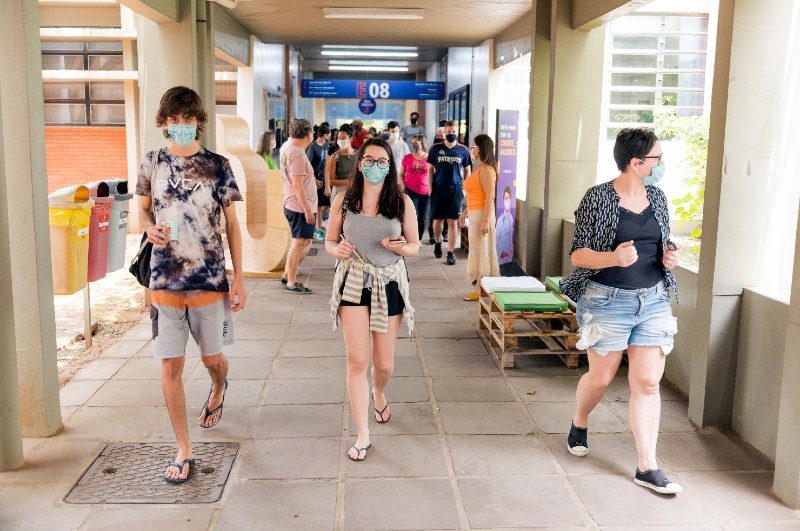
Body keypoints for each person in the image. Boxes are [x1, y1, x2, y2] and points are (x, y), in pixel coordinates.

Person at [559, 128, 681, 495]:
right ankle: (580, 421)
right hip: (607, 301)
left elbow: (662, 242)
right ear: (635, 162)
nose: (661, 165)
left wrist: (669, 256)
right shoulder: (598, 198)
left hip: (654, 299)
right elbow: (577, 255)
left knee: (646, 382)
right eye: (656, 159)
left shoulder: (657, 197)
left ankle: (647, 465)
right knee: (600, 378)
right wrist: (613, 257)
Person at [135, 86, 246, 484]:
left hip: (209, 280)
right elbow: (143, 211)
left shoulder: (218, 165)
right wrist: (149, 231)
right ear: (164, 123)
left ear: (198, 120)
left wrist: (239, 280)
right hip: (164, 279)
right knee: (170, 367)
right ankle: (184, 448)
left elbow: (232, 225)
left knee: (211, 359)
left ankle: (219, 387)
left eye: (187, 119)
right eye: (173, 120)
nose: (180, 126)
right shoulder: (152, 162)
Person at [325, 138, 420, 462]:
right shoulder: (344, 200)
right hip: (353, 282)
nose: (375, 166)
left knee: (384, 363)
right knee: (357, 361)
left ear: (390, 165)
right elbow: (329, 241)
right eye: (370, 160)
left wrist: (398, 247)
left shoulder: (402, 202)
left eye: (382, 161)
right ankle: (362, 433)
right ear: (360, 163)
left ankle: (379, 392)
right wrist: (336, 249)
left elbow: (414, 246)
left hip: (389, 283)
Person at [459, 134, 500, 300]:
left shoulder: (487, 170)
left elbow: (489, 197)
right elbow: (475, 195)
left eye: (474, 146)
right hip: (475, 214)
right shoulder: (479, 168)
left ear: (482, 148)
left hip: (483, 215)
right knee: (477, 251)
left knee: (482, 251)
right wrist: (465, 212)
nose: (472, 149)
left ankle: (479, 289)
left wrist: (484, 221)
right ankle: (481, 286)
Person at [427, 120, 471, 265]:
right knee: (437, 220)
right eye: (449, 131)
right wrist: (430, 188)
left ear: (457, 132)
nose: (451, 134)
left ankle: (451, 252)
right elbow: (429, 170)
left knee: (453, 222)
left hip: (455, 191)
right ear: (444, 132)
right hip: (438, 190)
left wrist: (465, 189)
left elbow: (467, 170)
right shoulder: (435, 148)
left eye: (453, 132)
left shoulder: (463, 150)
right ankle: (438, 243)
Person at [280, 118, 316, 294]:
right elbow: (297, 184)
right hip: (299, 207)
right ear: (309, 134)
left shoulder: (288, 147)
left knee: (301, 241)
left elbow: (297, 178)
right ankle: (291, 283)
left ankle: (287, 275)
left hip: (293, 203)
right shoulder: (297, 153)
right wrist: (308, 210)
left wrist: (312, 180)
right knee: (299, 242)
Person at [399, 134, 431, 240]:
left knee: (422, 218)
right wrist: (403, 188)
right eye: (412, 143)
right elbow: (401, 174)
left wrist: (432, 188)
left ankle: (419, 238)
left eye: (416, 142)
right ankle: (412, 238)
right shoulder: (407, 158)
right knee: (414, 215)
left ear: (422, 143)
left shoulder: (429, 158)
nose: (414, 145)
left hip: (426, 192)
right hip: (410, 190)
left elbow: (433, 175)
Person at [307, 124, 331, 240]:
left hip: (323, 180)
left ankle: (318, 224)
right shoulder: (312, 147)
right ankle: (319, 229)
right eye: (328, 134)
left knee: (326, 205)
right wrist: (314, 180)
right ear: (325, 135)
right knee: (319, 206)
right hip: (314, 181)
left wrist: (327, 183)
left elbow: (326, 165)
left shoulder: (326, 146)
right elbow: (307, 167)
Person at [327, 125, 358, 201]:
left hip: (355, 192)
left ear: (351, 139)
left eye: (343, 138)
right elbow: (331, 181)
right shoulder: (335, 156)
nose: (341, 140)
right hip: (339, 193)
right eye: (339, 138)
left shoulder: (358, 155)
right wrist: (349, 182)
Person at [496, 187, 514, 264]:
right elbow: (496, 240)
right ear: (503, 200)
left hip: (510, 257)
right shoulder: (500, 220)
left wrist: (512, 245)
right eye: (505, 198)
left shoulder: (511, 218)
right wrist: (501, 253)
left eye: (508, 198)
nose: (507, 200)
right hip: (502, 260)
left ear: (511, 199)